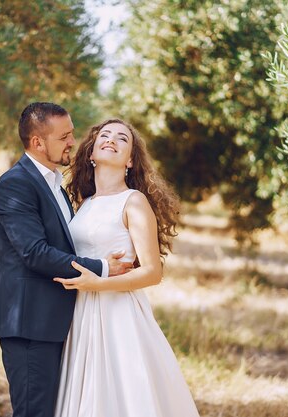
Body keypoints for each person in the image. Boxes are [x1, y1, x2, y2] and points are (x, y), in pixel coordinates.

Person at [0, 103, 133, 417]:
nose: (73, 142)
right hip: (30, 325)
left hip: (57, 323)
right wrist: (103, 268)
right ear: (38, 143)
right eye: (64, 136)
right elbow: (34, 253)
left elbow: (62, 246)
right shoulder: (16, 185)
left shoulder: (55, 184)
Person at [53, 118, 200, 417]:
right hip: (81, 313)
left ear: (130, 160)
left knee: (123, 395)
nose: (111, 140)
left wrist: (99, 284)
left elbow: (152, 272)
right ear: (91, 153)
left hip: (118, 313)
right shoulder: (85, 203)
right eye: (104, 135)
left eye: (122, 139)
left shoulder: (133, 202)